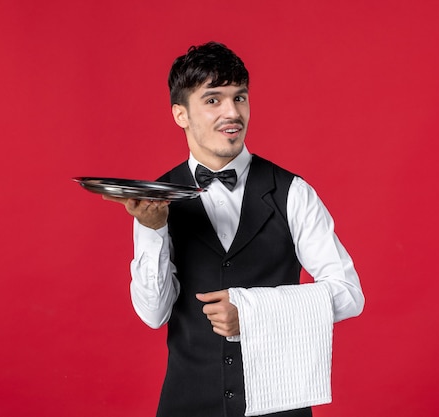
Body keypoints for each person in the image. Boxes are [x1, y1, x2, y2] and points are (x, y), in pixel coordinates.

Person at [104, 41, 364, 417]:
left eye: (239, 98)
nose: (232, 112)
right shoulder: (155, 199)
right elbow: (153, 314)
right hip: (187, 405)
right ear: (181, 114)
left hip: (280, 407)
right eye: (213, 100)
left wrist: (254, 312)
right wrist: (155, 230)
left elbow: (349, 295)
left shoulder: (293, 192)